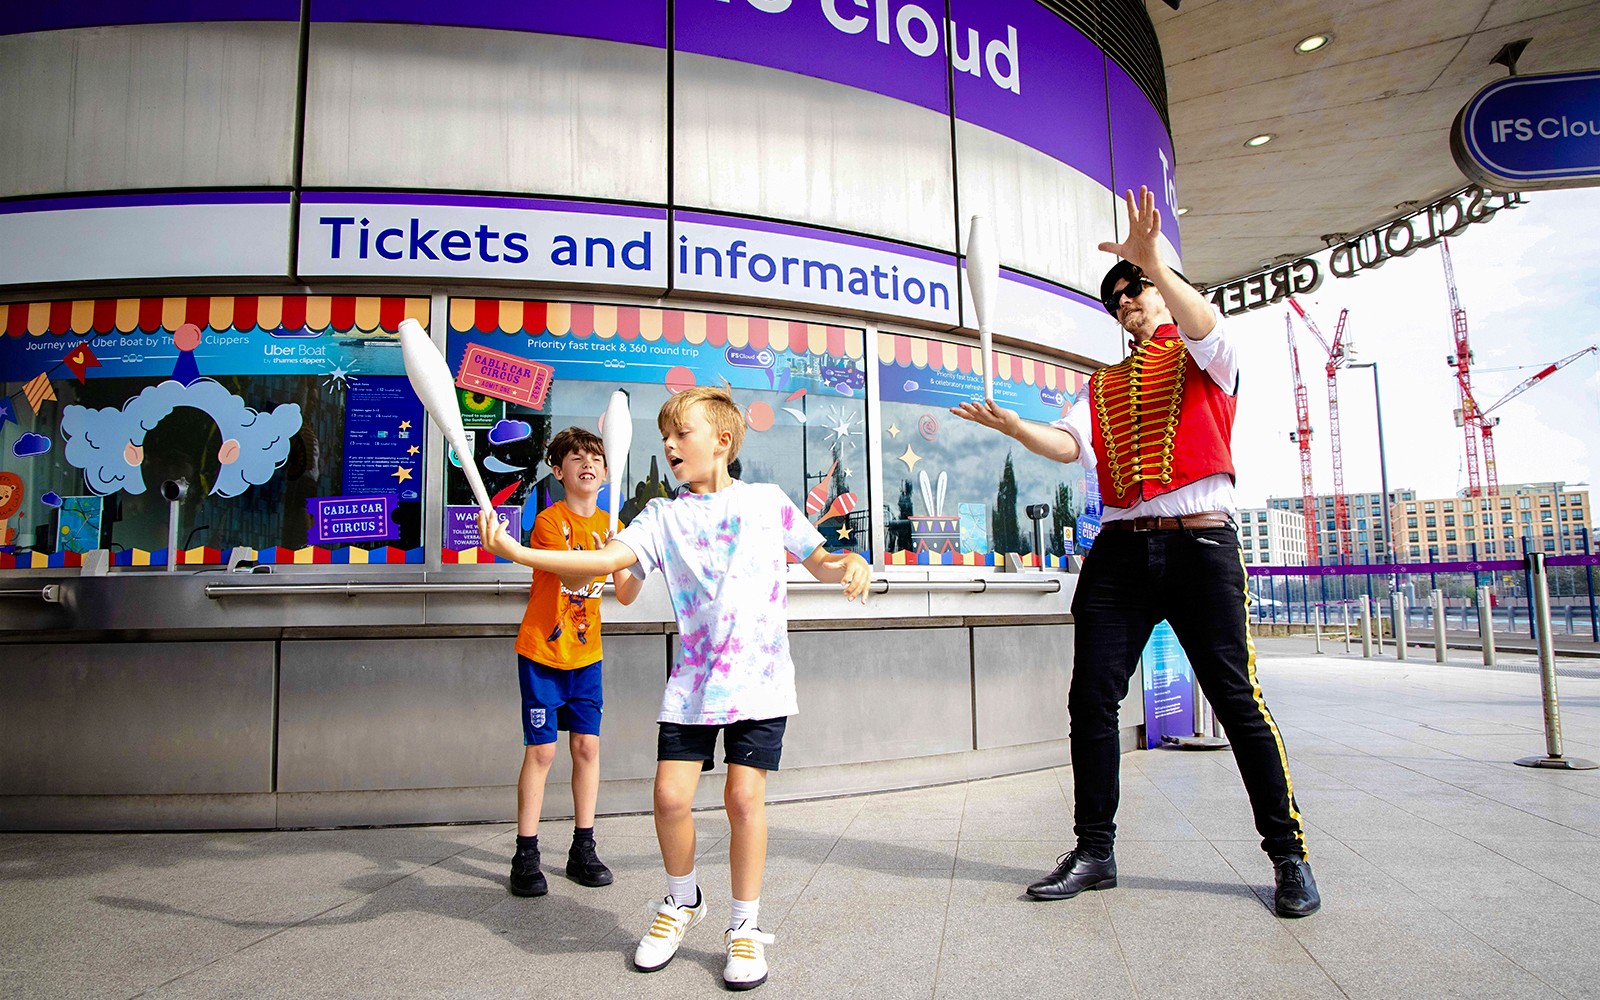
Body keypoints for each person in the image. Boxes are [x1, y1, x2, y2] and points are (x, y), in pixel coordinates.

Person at [950, 187, 1320, 919]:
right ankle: (1096, 850)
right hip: (1119, 553)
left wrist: (1156, 261)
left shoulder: (1207, 350)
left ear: (1165, 285)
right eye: (1116, 296)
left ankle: (1288, 856)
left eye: (1136, 287)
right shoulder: (1101, 384)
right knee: (1091, 698)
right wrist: (1018, 428)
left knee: (1236, 700)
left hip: (1200, 544)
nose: (1125, 301)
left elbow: (1202, 319)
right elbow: (1069, 446)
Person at [479, 385, 871, 990]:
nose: (668, 444)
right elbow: (611, 569)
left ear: (723, 440)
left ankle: (744, 925)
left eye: (681, 433)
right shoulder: (661, 516)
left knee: (743, 800)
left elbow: (819, 559)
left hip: (760, 683)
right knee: (668, 798)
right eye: (664, 436)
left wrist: (851, 563)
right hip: (692, 685)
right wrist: (520, 550)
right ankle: (683, 899)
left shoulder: (767, 503)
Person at [503, 426, 644, 899]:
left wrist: (639, 559)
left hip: (587, 657)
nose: (587, 462)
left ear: (606, 472)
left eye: (596, 457)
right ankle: (526, 853)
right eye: (576, 457)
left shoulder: (614, 529)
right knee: (541, 752)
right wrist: (613, 553)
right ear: (559, 470)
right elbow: (567, 569)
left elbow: (624, 594)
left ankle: (583, 848)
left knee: (586, 749)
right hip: (543, 652)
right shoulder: (548, 521)